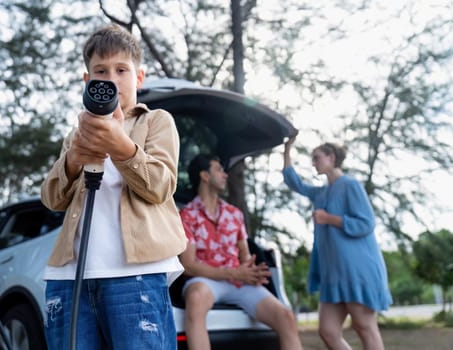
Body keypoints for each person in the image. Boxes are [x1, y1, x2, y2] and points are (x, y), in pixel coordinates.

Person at [40, 24, 187, 350]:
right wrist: (74, 158)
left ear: (139, 78)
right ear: (87, 81)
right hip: (70, 277)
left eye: (122, 69)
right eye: (100, 70)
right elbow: (52, 198)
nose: (111, 78)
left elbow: (161, 186)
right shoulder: (75, 135)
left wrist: (122, 147)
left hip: (135, 276)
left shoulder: (156, 121)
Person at [178, 153, 303, 350]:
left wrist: (251, 272)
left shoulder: (234, 214)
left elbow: (244, 255)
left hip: (237, 281)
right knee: (196, 298)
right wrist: (233, 272)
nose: (225, 174)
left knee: (286, 316)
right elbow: (188, 265)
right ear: (205, 176)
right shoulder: (187, 215)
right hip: (206, 281)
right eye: (219, 170)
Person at [282, 134, 392, 350]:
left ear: (331, 157)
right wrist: (286, 150)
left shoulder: (350, 185)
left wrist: (329, 219)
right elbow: (294, 182)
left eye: (317, 158)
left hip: (356, 270)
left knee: (364, 326)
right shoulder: (321, 193)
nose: (313, 163)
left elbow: (367, 223)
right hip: (333, 274)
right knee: (328, 331)